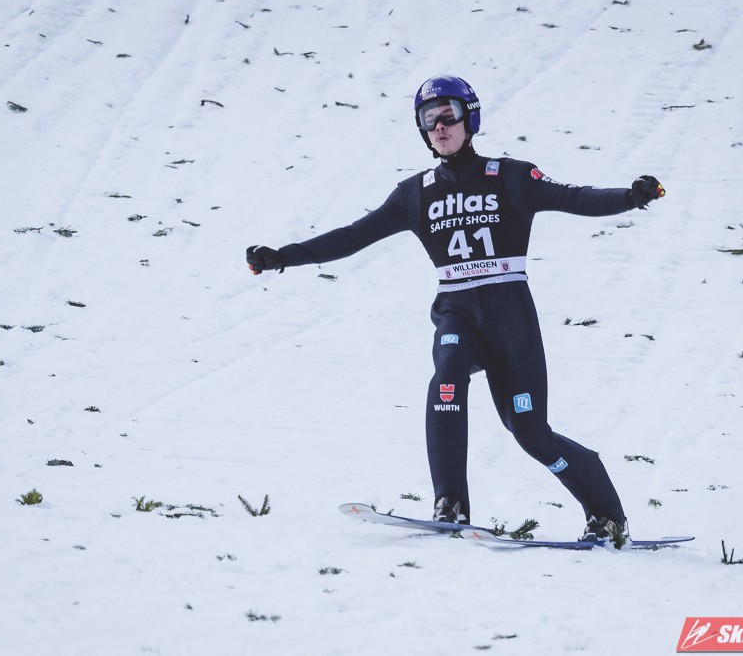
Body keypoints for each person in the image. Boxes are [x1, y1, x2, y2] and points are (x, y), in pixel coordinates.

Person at [246, 75, 665, 548]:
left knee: (531, 432)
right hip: (457, 311)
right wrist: (283, 257)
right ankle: (450, 503)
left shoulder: (511, 176)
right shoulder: (415, 193)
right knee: (447, 375)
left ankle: (607, 516)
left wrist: (630, 197)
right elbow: (352, 236)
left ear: (471, 118)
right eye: (429, 119)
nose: (439, 126)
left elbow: (575, 197)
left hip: (510, 317)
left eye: (448, 115)